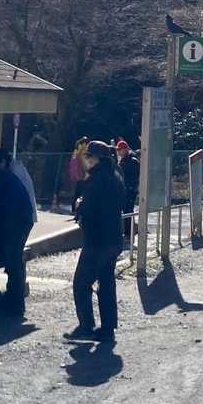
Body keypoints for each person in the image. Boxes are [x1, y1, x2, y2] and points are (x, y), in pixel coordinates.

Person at [66, 139, 127, 343]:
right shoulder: (116, 176)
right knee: (106, 283)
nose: (87, 160)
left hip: (97, 241)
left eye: (89, 156)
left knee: (81, 283)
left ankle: (86, 326)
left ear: (97, 159)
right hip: (114, 239)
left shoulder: (96, 180)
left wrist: (79, 204)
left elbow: (88, 209)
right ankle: (108, 328)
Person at [0, 147, 35, 318]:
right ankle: (14, 300)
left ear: (2, 162)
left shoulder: (6, 177)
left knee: (13, 260)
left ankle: (15, 303)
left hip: (17, 221)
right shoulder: (13, 174)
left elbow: (1, 206)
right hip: (22, 219)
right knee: (15, 260)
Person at [0, 145, 37, 227]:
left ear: (3, 161)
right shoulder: (15, 167)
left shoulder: (15, 172)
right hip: (24, 215)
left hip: (24, 217)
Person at [60, 137, 88, 214]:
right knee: (79, 193)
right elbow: (78, 164)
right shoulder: (80, 152)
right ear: (83, 144)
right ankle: (76, 209)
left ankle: (74, 209)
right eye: (86, 144)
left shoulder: (76, 151)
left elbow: (73, 164)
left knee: (77, 193)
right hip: (80, 176)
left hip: (77, 175)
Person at [115, 138, 140, 216]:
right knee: (123, 211)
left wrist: (130, 188)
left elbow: (134, 177)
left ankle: (128, 224)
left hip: (130, 191)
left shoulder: (133, 161)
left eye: (120, 149)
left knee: (128, 211)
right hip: (123, 190)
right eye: (118, 150)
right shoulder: (122, 161)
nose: (118, 152)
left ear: (125, 149)